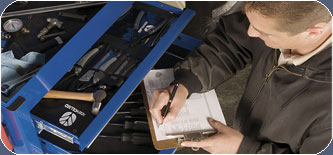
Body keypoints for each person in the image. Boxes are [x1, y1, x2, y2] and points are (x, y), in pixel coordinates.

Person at [149, 1, 332, 154]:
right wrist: (186, 82)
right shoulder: (282, 16)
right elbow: (233, 42)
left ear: (314, 32)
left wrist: (243, 149)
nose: (251, 32)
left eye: (264, 33)